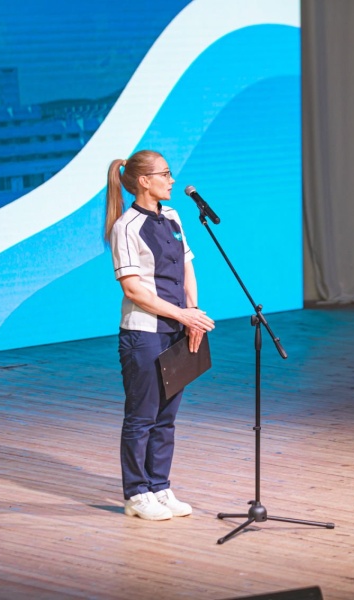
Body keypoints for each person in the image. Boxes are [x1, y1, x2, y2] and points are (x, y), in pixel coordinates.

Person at [105, 149, 215, 521]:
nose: (171, 180)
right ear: (144, 181)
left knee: (167, 417)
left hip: (177, 328)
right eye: (165, 174)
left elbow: (186, 267)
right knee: (143, 416)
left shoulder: (173, 216)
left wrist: (192, 316)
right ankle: (137, 494)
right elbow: (133, 289)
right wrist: (182, 314)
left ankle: (159, 486)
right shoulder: (126, 227)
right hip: (144, 334)